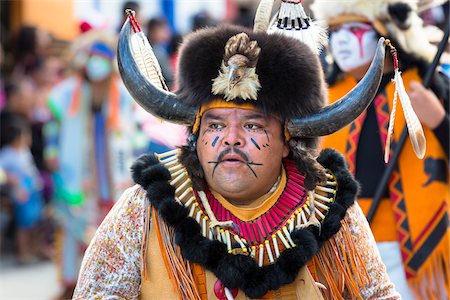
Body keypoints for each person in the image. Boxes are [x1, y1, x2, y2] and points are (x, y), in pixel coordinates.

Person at [74, 4, 400, 299]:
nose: (231, 138)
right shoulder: (142, 209)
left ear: (288, 139)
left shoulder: (328, 208)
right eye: (215, 125)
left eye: (253, 126)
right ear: (196, 134)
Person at [311, 1, 449, 299]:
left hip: (418, 245)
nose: (342, 40)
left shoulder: (427, 85)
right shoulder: (327, 95)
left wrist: (440, 122)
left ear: (386, 34)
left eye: (355, 29)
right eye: (335, 30)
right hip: (344, 243)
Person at [46, 29, 146, 299]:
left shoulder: (122, 95)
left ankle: (110, 283)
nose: (96, 65)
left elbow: (135, 132)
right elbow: (53, 126)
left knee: (112, 229)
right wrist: (51, 151)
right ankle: (70, 283)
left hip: (112, 173)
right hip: (77, 171)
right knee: (71, 228)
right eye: (92, 58)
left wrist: (137, 157)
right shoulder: (68, 93)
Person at [0, 116, 44, 264]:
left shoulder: (25, 151)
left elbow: (30, 170)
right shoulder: (7, 153)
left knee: (35, 222)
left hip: (32, 191)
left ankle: (33, 250)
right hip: (20, 194)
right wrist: (9, 177)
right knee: (23, 225)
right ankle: (23, 254)